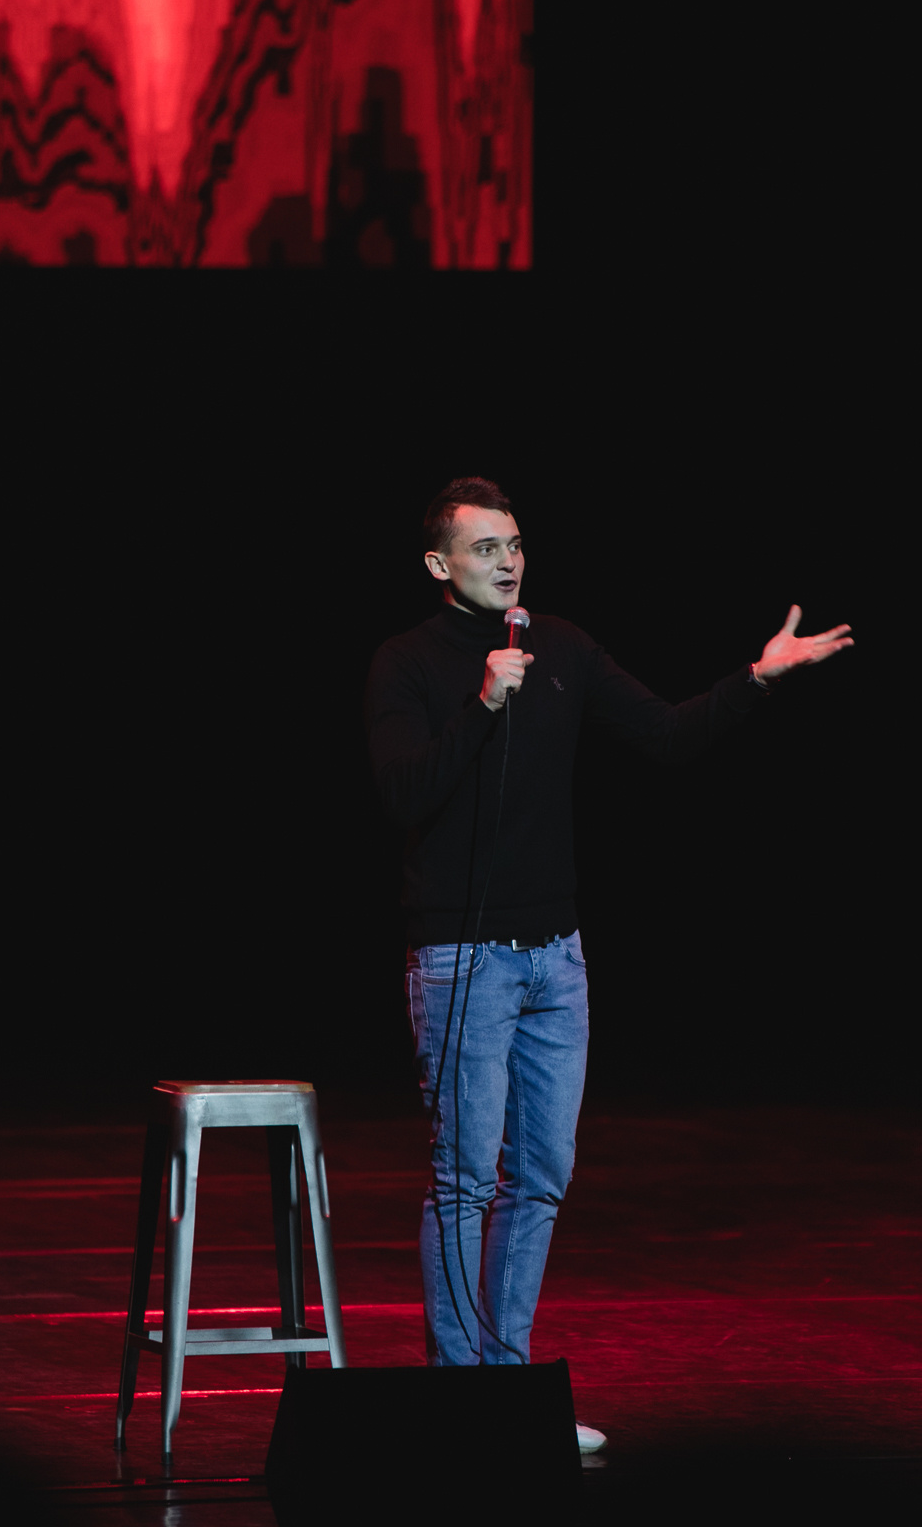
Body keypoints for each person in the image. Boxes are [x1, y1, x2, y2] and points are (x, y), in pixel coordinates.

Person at [363, 477, 853, 1451]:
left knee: (540, 1175)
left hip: (557, 960)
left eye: (516, 544)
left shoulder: (565, 647)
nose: (508, 561)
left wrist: (755, 678)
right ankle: (463, 1401)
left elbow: (665, 733)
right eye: (486, 547)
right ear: (439, 565)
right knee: (465, 1179)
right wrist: (480, 704)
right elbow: (404, 793)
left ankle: (509, 1391)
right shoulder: (407, 663)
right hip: (462, 958)